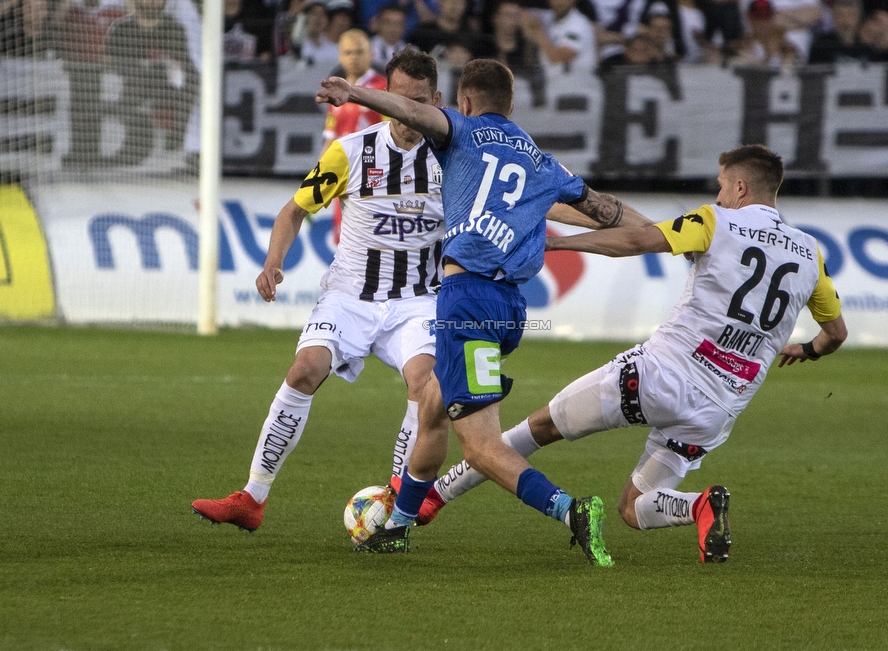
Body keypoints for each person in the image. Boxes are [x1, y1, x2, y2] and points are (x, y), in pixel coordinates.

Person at [416, 144, 848, 564]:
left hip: (659, 375)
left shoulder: (716, 220)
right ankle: (700, 506)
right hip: (718, 410)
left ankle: (431, 499)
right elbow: (836, 334)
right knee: (635, 508)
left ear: (739, 188)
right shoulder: (811, 252)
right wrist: (807, 349)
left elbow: (638, 241)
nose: (716, 195)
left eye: (720, 186)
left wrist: (557, 245)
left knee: (539, 428)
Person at [316, 58, 650, 567]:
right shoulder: (544, 163)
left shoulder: (462, 132)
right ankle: (400, 526)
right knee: (431, 404)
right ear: (512, 106)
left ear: (464, 102)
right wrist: (676, 236)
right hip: (508, 307)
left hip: (466, 302)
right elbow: (609, 211)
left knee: (479, 448)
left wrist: (355, 93)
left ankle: (572, 511)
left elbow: (411, 110)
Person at [191, 49, 447, 533]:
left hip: (418, 300)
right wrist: (273, 262)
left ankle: (397, 498)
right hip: (349, 295)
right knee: (304, 369)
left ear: (434, 100)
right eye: (398, 99)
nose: (408, 112)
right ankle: (252, 498)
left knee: (426, 384)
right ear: (382, 97)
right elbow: (294, 210)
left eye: (418, 101)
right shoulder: (350, 151)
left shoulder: (451, 159)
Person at [103, 0, 198, 164]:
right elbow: (108, 67)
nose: (152, 2)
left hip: (165, 90)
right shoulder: (121, 29)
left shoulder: (174, 29)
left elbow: (184, 68)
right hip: (129, 92)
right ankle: (130, 149)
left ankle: (175, 147)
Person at [321, 28, 389, 241]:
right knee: (344, 242)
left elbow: (391, 132)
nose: (354, 57)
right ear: (340, 55)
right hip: (344, 177)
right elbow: (331, 138)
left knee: (372, 240)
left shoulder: (383, 88)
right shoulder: (335, 91)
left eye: (359, 51)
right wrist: (319, 174)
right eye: (348, 52)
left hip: (375, 177)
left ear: (371, 54)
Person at [521, 0, 598, 77]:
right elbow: (523, 15)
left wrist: (538, 32)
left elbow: (558, 58)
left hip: (577, 81)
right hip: (554, 81)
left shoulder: (578, 24)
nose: (557, 3)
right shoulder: (549, 17)